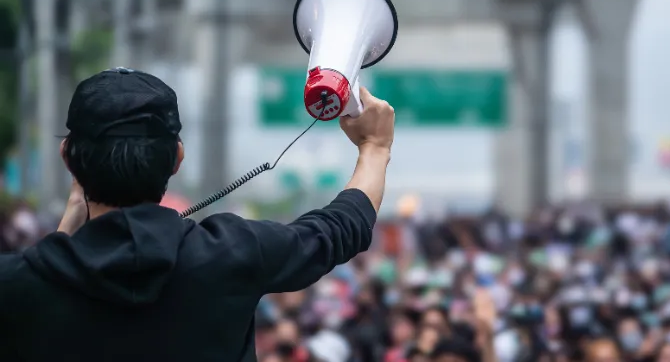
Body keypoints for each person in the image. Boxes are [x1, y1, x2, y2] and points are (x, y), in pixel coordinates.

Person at [0, 68, 395, 362]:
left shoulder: (17, 285)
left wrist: (66, 231)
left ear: (68, 158)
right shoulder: (232, 253)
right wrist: (374, 148)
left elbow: (44, 276)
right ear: (176, 159)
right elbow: (340, 229)